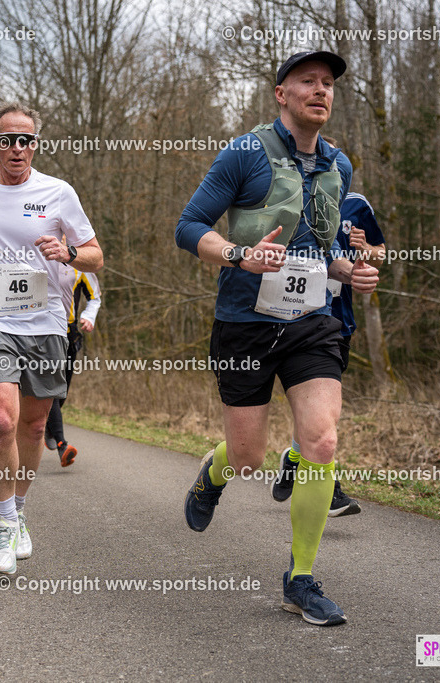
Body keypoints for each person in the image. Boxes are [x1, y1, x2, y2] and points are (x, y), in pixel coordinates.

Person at [174, 51, 380, 626]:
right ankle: (214, 473)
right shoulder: (245, 153)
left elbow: (323, 249)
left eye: (328, 83)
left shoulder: (338, 164)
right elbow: (188, 227)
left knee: (321, 441)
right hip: (245, 324)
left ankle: (301, 580)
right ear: (281, 94)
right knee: (247, 458)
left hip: (312, 322)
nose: (320, 90)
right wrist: (239, 254)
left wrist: (349, 271)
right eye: (307, 81)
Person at [0, 102, 103, 574]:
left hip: (45, 320)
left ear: (35, 144)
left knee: (33, 426)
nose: (17, 149)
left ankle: (21, 511)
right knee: (1, 420)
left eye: (25, 140)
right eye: (8, 140)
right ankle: (5, 523)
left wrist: (68, 253)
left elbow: (95, 256)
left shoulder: (59, 192)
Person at [273, 151, 387, 516]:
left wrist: (366, 250)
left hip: (339, 317)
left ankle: (295, 458)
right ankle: (328, 488)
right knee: (317, 410)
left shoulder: (356, 204)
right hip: (295, 316)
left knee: (322, 411)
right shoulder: (290, 197)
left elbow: (380, 253)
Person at [45, 266, 101, 466]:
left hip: (69, 333)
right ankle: (62, 444)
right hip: (40, 331)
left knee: (62, 391)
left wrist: (89, 316)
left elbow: (95, 297)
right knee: (51, 388)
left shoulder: (78, 264)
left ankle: (47, 424)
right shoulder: (33, 256)